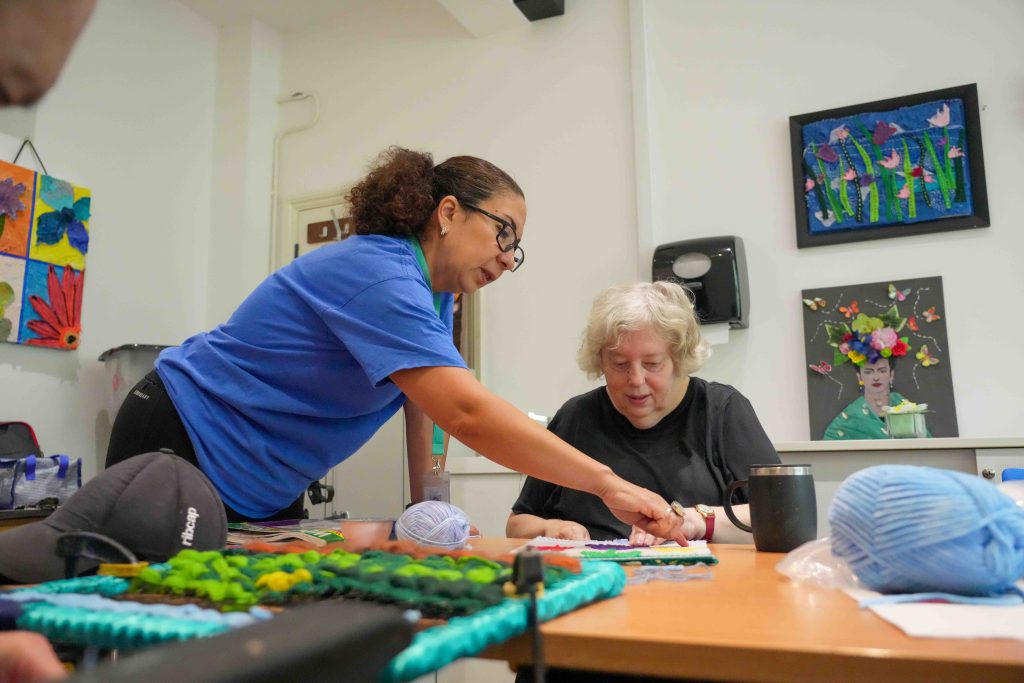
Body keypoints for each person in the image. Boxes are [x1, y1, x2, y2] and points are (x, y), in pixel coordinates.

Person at [105, 147, 685, 543]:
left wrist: (430, 505)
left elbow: (426, 410)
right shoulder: (378, 274)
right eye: (503, 231)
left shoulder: (437, 296)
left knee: (253, 633)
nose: (509, 256)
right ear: (450, 213)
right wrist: (608, 484)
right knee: (163, 632)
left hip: (260, 481)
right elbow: (466, 413)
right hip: (179, 434)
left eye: (517, 247)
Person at [507, 281, 780, 545]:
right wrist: (551, 527)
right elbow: (518, 523)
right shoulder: (576, 417)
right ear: (600, 361)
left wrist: (694, 521)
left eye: (652, 363)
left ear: (678, 359)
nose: (636, 379)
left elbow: (782, 516)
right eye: (619, 364)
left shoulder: (722, 410)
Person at [822, 314, 921, 440]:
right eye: (868, 372)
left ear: (891, 375)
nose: (876, 377)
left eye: (882, 371)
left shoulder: (905, 407)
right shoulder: (850, 418)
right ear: (859, 377)